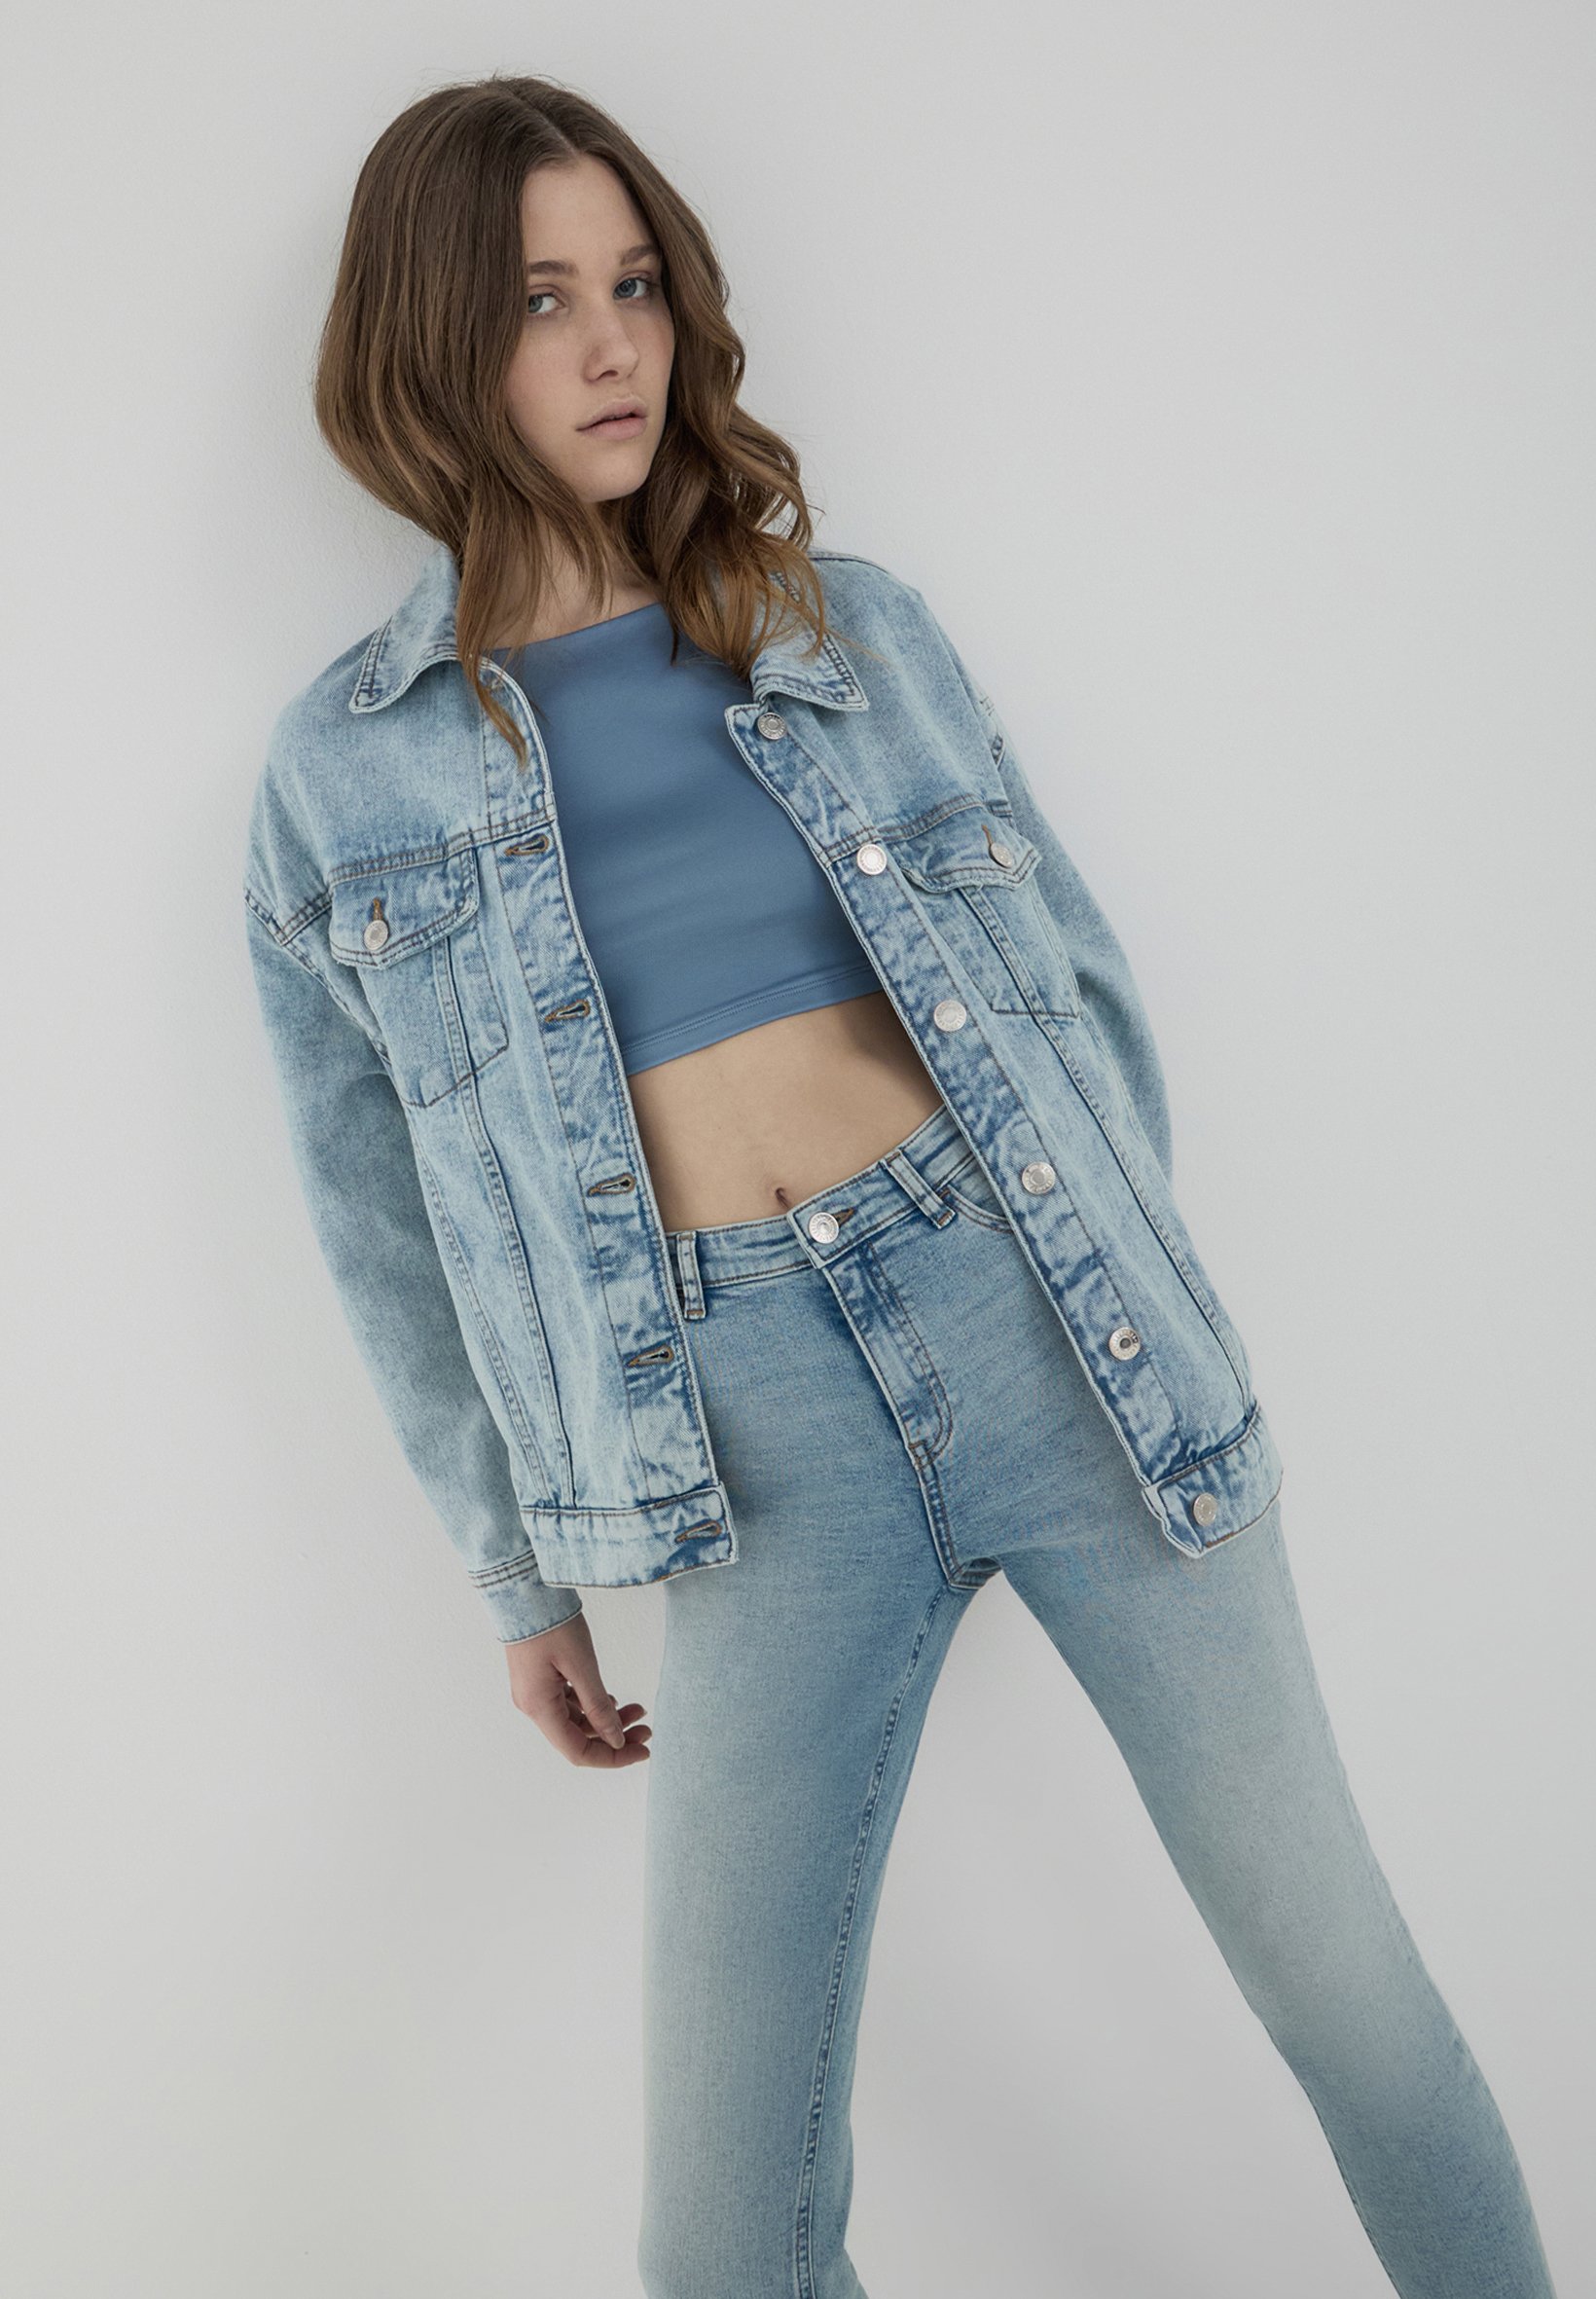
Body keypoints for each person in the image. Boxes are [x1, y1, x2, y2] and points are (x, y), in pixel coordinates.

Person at [241, 73, 1559, 2299]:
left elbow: (1075, 991)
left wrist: (1132, 1286)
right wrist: (514, 1569)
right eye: (540, 300)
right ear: (427, 344)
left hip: (1056, 1331)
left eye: (635, 284)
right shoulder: (337, 774)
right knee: (722, 2235)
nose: (611, 345)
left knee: (1351, 2004)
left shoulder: (836, 624)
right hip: (741, 1447)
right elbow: (376, 1218)